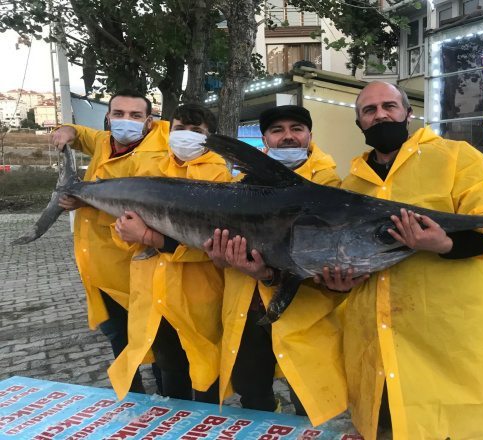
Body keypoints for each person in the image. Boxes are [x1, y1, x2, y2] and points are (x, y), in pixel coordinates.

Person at [318, 81, 483, 439]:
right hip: (375, 335)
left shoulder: (457, 156)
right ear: (359, 123)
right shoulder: (350, 187)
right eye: (369, 110)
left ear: (408, 113)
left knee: (447, 427)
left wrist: (442, 243)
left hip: (446, 336)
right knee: (384, 421)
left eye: (389, 106)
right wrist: (340, 281)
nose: (380, 115)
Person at [203, 105, 347, 426]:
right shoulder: (242, 188)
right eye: (278, 130)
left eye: (296, 128)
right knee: (252, 392)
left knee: (310, 397)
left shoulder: (332, 188)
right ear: (265, 139)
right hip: (246, 308)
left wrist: (269, 274)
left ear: (310, 136)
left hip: (305, 313)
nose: (288, 137)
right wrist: (218, 256)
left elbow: (325, 258)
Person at [108, 103, 230, 403]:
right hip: (152, 293)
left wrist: (150, 236)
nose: (186, 136)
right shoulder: (148, 169)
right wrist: (128, 234)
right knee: (168, 368)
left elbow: (210, 243)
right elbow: (124, 228)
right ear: (168, 130)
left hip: (198, 294)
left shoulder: (221, 178)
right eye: (180, 129)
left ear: (209, 136)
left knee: (204, 372)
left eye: (196, 131)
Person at [51, 90, 169, 393]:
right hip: (102, 267)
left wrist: (86, 201)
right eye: (118, 114)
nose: (125, 121)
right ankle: (132, 397)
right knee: (118, 334)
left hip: (141, 263)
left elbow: (137, 206)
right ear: (109, 117)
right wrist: (68, 129)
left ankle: (170, 397)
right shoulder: (105, 141)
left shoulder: (159, 153)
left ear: (149, 121)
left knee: (157, 336)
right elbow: (82, 135)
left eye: (135, 116)